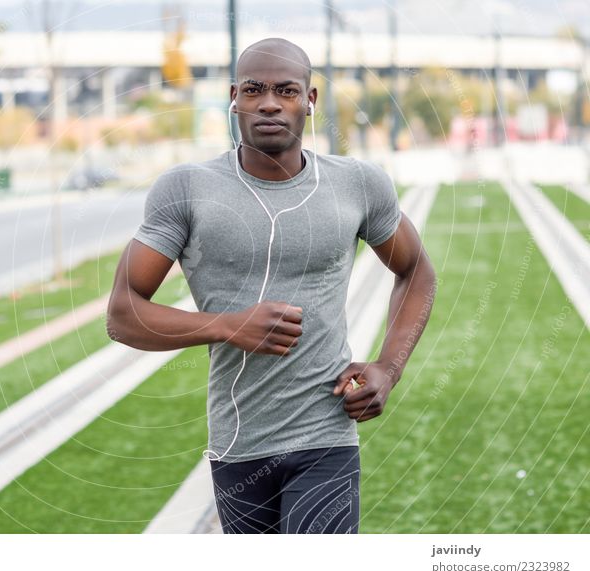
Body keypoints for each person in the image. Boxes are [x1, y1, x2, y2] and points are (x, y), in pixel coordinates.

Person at [106, 38, 437, 534]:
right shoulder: (187, 189)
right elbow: (123, 315)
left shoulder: (358, 184)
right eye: (255, 90)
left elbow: (417, 273)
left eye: (286, 91)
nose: (269, 103)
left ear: (310, 100)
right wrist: (227, 326)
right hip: (238, 443)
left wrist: (388, 368)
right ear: (234, 96)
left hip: (326, 436)